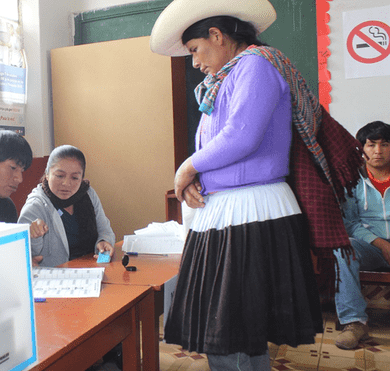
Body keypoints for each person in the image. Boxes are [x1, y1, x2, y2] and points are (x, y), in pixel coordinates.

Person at [149, 0, 362, 369]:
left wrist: (187, 168)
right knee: (230, 332)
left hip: (250, 213)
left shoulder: (256, 64)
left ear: (217, 35)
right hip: (227, 213)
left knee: (232, 330)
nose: (195, 63)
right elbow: (219, 146)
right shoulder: (224, 80)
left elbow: (241, 136)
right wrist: (199, 177)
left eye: (196, 51)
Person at [334, 121, 390, 349]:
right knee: (343, 248)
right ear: (362, 149)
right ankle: (354, 322)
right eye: (371, 145)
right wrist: (383, 246)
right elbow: (350, 222)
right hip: (371, 245)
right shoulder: (352, 180)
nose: (378, 151)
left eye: (385, 144)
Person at [18, 145, 115, 267]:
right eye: (59, 175)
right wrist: (34, 235)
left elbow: (105, 230)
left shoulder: (88, 195)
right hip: (57, 278)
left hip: (93, 270)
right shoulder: (36, 206)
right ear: (47, 175)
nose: (66, 183)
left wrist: (103, 241)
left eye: (75, 177)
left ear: (81, 178)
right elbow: (23, 255)